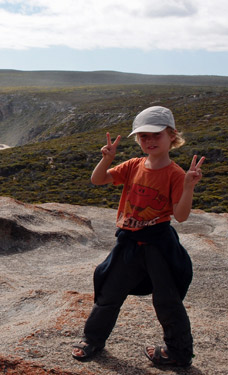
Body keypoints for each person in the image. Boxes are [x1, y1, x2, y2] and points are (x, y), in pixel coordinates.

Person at [71, 106, 205, 367]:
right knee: (109, 293)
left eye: (156, 135)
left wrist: (188, 187)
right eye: (143, 136)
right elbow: (98, 180)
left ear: (172, 137)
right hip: (129, 242)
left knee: (167, 301)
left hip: (158, 244)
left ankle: (178, 353)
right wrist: (107, 159)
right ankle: (93, 339)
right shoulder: (133, 165)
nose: (150, 141)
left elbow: (181, 215)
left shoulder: (176, 174)